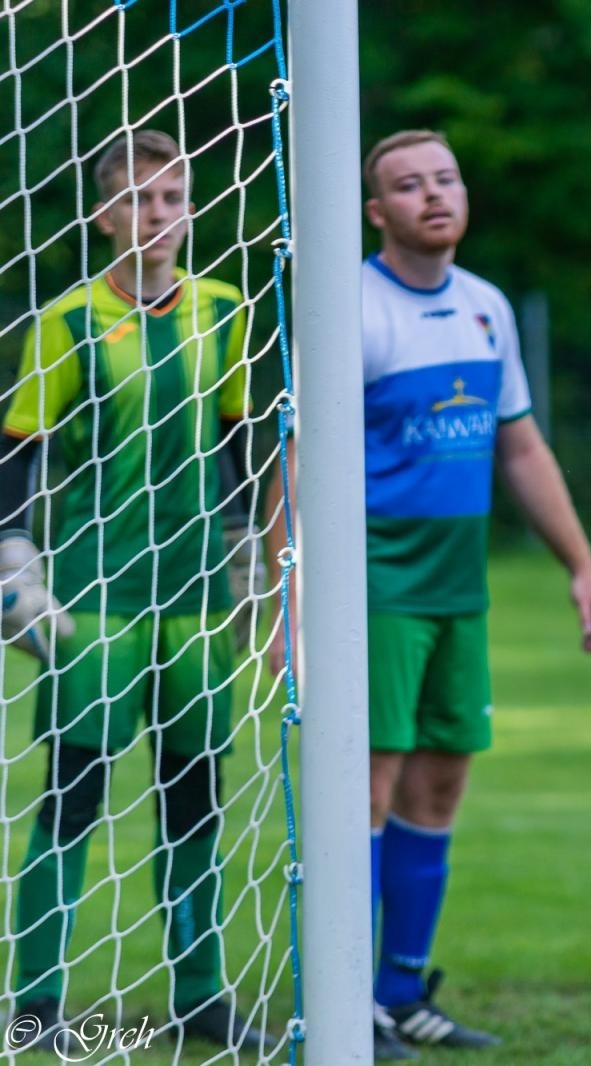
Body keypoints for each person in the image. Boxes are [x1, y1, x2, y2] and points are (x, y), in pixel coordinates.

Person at [265, 129, 591, 1059]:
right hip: (373, 586)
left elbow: (521, 447)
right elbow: (294, 461)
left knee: (444, 777)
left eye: (446, 178)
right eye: (410, 185)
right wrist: (287, 598)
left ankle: (401, 992)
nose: (434, 195)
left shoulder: (487, 306)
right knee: (368, 784)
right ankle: (347, 1004)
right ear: (377, 211)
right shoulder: (350, 307)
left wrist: (581, 565)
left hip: (460, 588)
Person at [0, 129, 266, 1051]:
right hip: (94, 595)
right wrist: (14, 556)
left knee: (195, 795)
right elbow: (19, 453)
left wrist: (248, 549)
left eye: (171, 197)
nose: (157, 215)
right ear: (105, 214)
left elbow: (234, 444)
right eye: (137, 199)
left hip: (196, 594)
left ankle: (200, 995)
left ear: (190, 209)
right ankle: (36, 1004)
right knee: (72, 797)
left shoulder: (224, 309)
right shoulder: (67, 320)